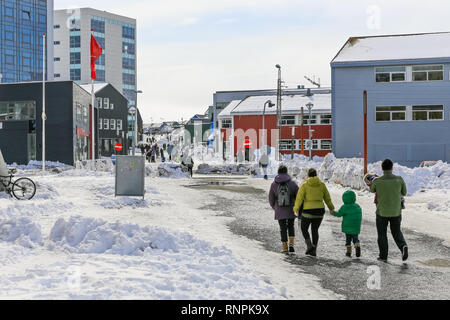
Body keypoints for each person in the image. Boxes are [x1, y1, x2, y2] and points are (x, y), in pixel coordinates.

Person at [369, 159, 408, 262]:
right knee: (396, 231)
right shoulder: (399, 179)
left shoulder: (377, 181)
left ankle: (383, 255)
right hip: (396, 212)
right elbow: (404, 192)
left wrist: (372, 180)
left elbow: (372, 189)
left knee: (382, 234)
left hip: (381, 212)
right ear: (392, 168)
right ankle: (403, 246)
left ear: (382, 169)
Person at [293, 168, 335, 257]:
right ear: (316, 175)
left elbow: (299, 198)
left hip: (308, 211)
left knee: (304, 228)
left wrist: (296, 209)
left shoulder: (304, 185)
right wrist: (331, 208)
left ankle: (309, 245)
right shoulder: (322, 185)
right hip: (319, 212)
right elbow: (327, 198)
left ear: (308, 175)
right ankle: (313, 250)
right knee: (315, 230)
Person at [269, 165, 299, 254]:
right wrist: (296, 206)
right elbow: (299, 195)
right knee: (291, 225)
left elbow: (271, 198)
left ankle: (285, 247)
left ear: (278, 172)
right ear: (286, 172)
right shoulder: (292, 183)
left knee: (282, 228)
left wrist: (275, 207)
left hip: (280, 209)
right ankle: (291, 245)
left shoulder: (274, 184)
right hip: (291, 208)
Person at [331, 190, 362, 258]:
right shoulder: (357, 206)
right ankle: (357, 246)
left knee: (348, 240)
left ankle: (348, 252)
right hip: (356, 227)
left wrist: (333, 213)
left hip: (347, 227)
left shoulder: (344, 207)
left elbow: (339, 214)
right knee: (355, 238)